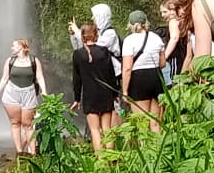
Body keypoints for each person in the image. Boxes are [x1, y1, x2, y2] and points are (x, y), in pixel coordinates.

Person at [71, 21, 121, 153]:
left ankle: (101, 161)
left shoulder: (78, 54)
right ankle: (111, 158)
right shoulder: (104, 52)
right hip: (105, 94)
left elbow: (77, 79)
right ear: (96, 34)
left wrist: (77, 99)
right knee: (107, 128)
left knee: (95, 130)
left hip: (90, 96)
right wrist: (115, 94)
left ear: (82, 36)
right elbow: (111, 75)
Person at [0, 38, 47, 157]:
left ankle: (33, 153)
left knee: (28, 124)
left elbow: (40, 78)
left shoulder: (34, 61)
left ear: (22, 47)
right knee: (15, 123)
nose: (12, 48)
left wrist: (44, 91)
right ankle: (20, 152)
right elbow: (4, 78)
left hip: (29, 93)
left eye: (14, 46)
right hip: (12, 93)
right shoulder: (10, 61)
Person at [120, 10, 166, 123]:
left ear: (131, 24)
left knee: (142, 123)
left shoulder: (129, 41)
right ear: (146, 22)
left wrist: (125, 91)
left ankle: (144, 142)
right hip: (156, 78)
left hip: (139, 80)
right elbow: (162, 63)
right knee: (156, 122)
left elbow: (127, 68)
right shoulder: (156, 38)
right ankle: (158, 140)